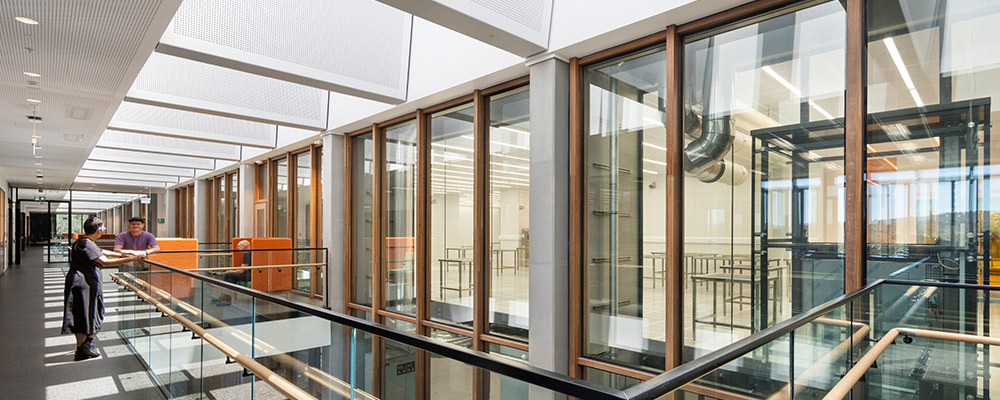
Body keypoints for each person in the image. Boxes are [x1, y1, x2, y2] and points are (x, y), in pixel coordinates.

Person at [62, 217, 143, 360]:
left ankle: (83, 348)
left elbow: (104, 251)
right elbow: (105, 261)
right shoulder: (87, 243)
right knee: (87, 313)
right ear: (99, 230)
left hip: (81, 283)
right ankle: (85, 346)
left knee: (83, 313)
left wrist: (127, 254)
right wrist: (132, 259)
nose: (104, 230)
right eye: (103, 228)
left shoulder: (84, 241)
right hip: (83, 284)